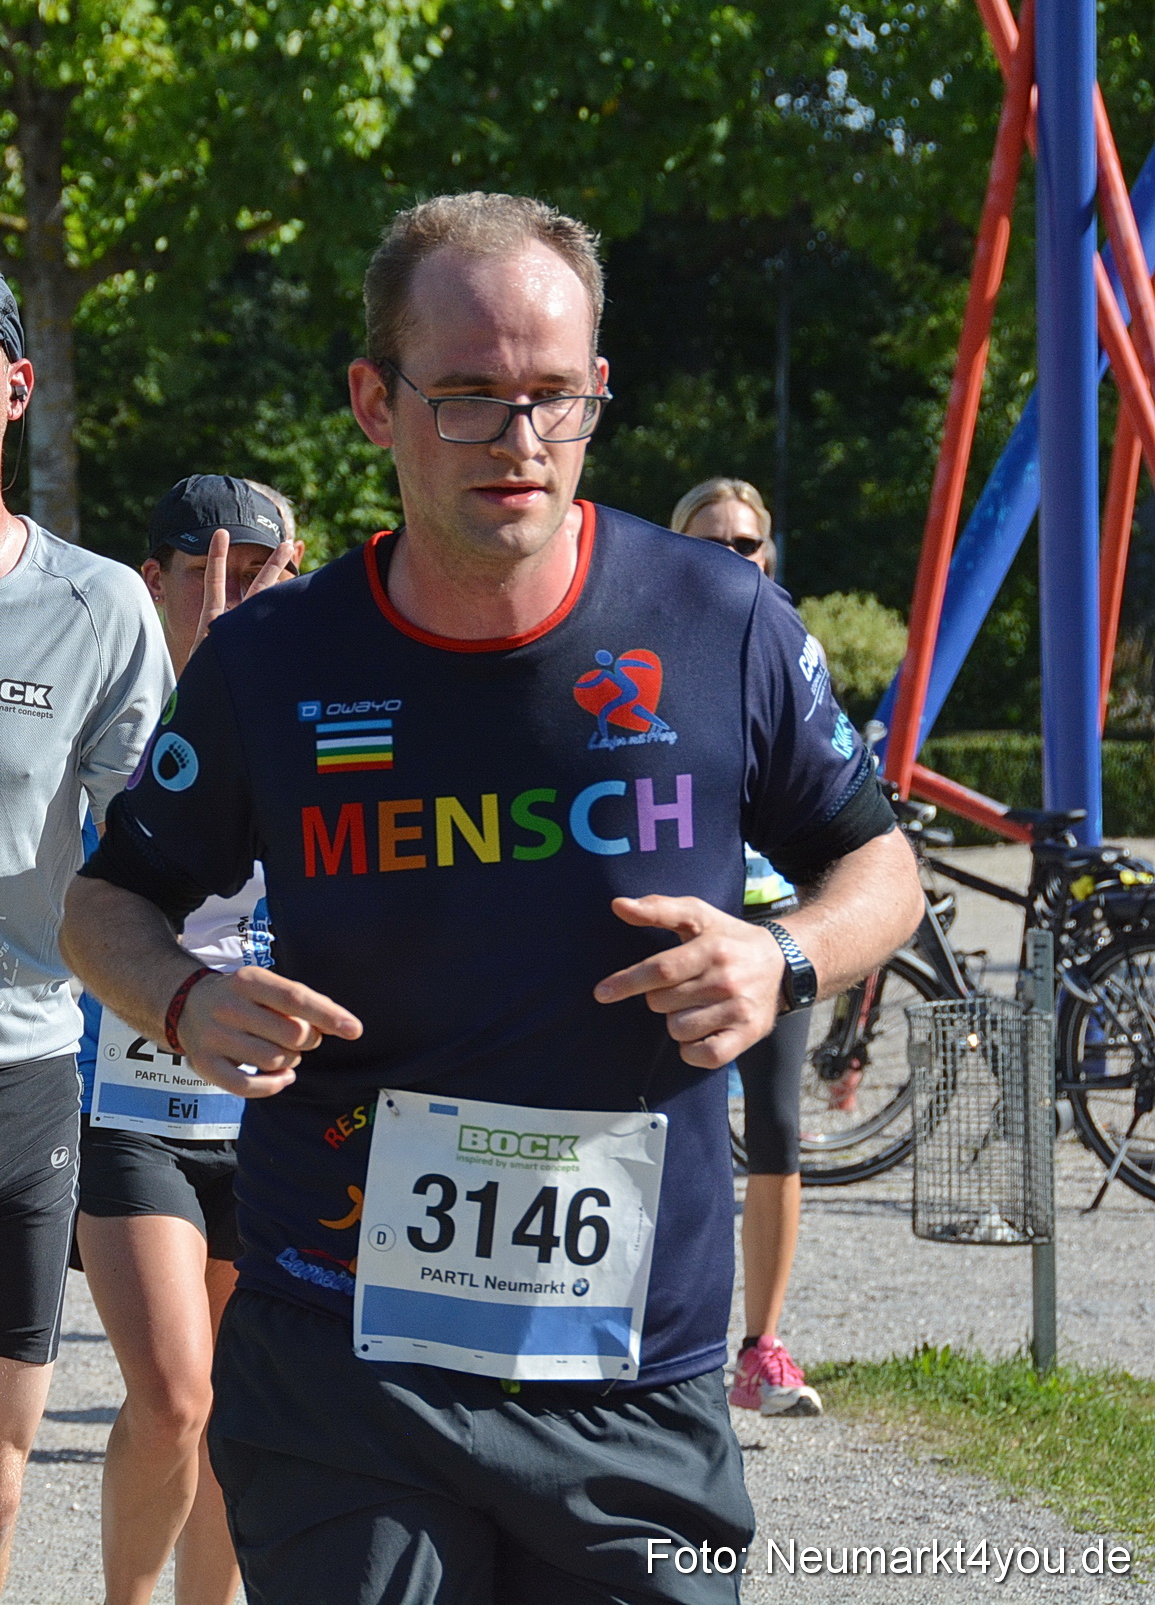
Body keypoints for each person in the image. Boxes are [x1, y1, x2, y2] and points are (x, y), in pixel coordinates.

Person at [62, 192, 923, 1605]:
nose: (517, 444)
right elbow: (109, 900)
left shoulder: (717, 623)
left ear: (595, 395)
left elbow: (874, 864)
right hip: (347, 1363)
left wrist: (782, 959)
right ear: (372, 401)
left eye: (551, 398)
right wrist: (182, 992)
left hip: (629, 1367)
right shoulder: (276, 660)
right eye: (465, 399)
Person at [75, 476, 295, 1605]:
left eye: (266, 579)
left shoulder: (309, 704)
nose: (240, 601)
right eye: (218, 576)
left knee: (235, 1412)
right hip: (127, 1106)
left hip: (262, 1114)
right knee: (173, 1395)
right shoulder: (114, 693)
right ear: (154, 579)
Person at [0, 276, 172, 1593]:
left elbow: (158, 853)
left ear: (17, 388)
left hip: (21, 1060)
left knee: (4, 1453)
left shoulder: (98, 604)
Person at [672, 476, 819, 1417]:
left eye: (748, 543)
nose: (734, 557)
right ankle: (655, 1343)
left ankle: (761, 1349)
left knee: (775, 1132)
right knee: (666, 1136)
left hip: (771, 924)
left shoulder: (788, 647)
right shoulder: (645, 636)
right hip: (680, 924)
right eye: (713, 541)